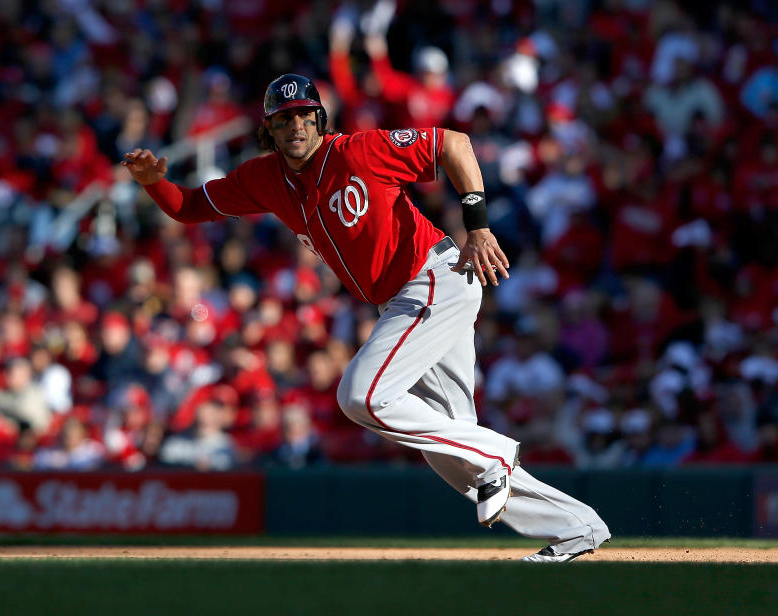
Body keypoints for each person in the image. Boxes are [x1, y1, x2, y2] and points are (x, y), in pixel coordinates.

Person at [122, 74, 610, 562]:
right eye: (283, 118)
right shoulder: (264, 179)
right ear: (268, 129)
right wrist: (153, 183)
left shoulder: (358, 152)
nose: (296, 124)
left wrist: (478, 227)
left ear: (319, 118)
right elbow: (189, 207)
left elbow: (454, 145)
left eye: (303, 115)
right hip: (402, 301)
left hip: (432, 278)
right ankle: (577, 527)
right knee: (453, 450)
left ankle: (497, 454)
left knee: (362, 395)